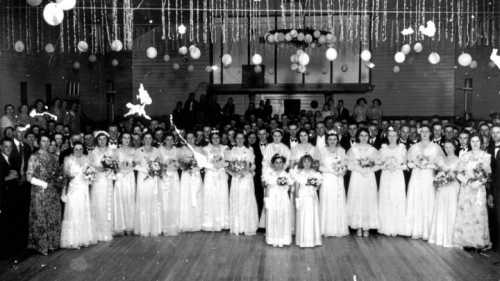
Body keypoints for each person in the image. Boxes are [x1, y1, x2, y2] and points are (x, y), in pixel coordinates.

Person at [453, 134, 492, 250]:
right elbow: (458, 173)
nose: (475, 143)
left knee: (478, 214)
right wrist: (467, 182)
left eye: (477, 141)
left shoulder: (486, 156)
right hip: (466, 188)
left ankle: (479, 242)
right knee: (466, 214)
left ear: (481, 142)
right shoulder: (465, 156)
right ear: (469, 143)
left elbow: (488, 174)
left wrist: (479, 182)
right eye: (473, 141)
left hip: (479, 189)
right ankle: (467, 242)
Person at [26, 134, 63, 255]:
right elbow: (28, 177)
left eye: (48, 141)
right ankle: (42, 246)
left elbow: (58, 174)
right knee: (41, 218)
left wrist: (60, 180)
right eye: (43, 141)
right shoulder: (34, 157)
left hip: (52, 193)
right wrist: (44, 184)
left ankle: (52, 244)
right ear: (38, 142)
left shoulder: (54, 157)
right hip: (40, 192)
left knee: (52, 217)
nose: (46, 143)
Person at [406, 125, 444, 240]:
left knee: (428, 200)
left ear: (430, 133)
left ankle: (427, 231)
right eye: (422, 131)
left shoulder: (436, 147)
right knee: (416, 199)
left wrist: (428, 165)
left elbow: (441, 164)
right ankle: (415, 230)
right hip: (416, 176)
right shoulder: (414, 147)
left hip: (428, 176)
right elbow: (408, 164)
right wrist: (416, 164)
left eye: (427, 131)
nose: (424, 134)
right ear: (419, 133)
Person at [346, 128, 380, 237]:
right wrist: (360, 170)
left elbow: (378, 164)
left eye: (366, 135)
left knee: (368, 199)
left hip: (369, 177)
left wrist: (368, 170)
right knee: (357, 198)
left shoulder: (373, 150)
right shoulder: (353, 149)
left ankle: (367, 226)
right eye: (361, 135)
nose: (364, 137)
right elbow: (349, 164)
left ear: (369, 137)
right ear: (358, 136)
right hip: (357, 176)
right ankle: (358, 226)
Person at [60, 142, 94, 249]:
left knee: (83, 211)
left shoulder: (87, 159)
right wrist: (64, 191)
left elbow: (91, 174)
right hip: (73, 189)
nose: (78, 151)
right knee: (74, 212)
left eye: (80, 149)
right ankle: (72, 240)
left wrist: (90, 178)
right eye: (76, 149)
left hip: (84, 188)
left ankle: (84, 238)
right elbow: (65, 176)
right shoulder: (68, 159)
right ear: (73, 149)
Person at [428, 141, 460, 248]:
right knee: (441, 210)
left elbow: (458, 174)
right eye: (446, 147)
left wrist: (451, 177)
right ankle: (440, 237)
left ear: (454, 147)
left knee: (451, 210)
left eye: (450, 147)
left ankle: (450, 238)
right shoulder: (441, 159)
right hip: (442, 187)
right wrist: (438, 179)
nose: (448, 149)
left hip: (452, 187)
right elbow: (437, 172)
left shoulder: (458, 160)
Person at [227, 132, 259, 235]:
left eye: (242, 138)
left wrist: (245, 171)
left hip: (246, 178)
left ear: (244, 139)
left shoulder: (249, 151)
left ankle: (247, 226)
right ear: (235, 139)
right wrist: (234, 173)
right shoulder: (231, 151)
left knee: (246, 199)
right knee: (236, 199)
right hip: (236, 178)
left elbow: (253, 165)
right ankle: (237, 226)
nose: (240, 140)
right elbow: (227, 166)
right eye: (238, 138)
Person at [378, 128, 408, 237]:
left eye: (394, 135)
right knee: (386, 198)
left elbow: (406, 165)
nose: (392, 138)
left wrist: (396, 166)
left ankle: (397, 227)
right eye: (390, 135)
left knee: (397, 198)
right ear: (387, 136)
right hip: (386, 176)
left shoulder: (402, 148)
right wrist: (386, 166)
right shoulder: (383, 149)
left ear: (398, 136)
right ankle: (385, 226)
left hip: (397, 176)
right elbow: (379, 164)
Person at [318, 131, 349, 237]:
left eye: (334, 139)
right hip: (327, 178)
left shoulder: (342, 150)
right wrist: (331, 171)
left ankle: (338, 228)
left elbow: (345, 165)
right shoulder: (322, 151)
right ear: (327, 140)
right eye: (330, 139)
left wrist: (342, 171)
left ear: (337, 140)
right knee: (327, 200)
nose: (332, 141)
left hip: (338, 179)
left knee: (337, 201)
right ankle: (325, 228)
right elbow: (319, 166)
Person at [88, 132, 116, 242]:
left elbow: (115, 165)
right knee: (98, 203)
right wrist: (98, 169)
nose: (102, 141)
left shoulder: (111, 151)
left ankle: (107, 229)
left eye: (104, 139)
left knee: (107, 203)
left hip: (108, 179)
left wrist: (110, 167)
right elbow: (89, 166)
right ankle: (98, 231)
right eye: (100, 139)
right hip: (98, 181)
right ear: (97, 140)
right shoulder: (93, 152)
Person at [201, 130, 230, 231]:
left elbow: (227, 162)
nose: (216, 140)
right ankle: (209, 222)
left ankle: (223, 222)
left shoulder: (225, 148)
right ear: (210, 139)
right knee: (210, 197)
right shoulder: (205, 149)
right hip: (210, 175)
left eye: (217, 138)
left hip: (221, 174)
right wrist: (213, 165)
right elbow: (203, 163)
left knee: (221, 196)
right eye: (213, 138)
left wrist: (221, 165)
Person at [263, 154, 293, 247]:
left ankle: (283, 239)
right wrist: (266, 200)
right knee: (272, 216)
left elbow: (290, 187)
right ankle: (273, 239)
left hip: (283, 198)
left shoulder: (287, 175)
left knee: (283, 216)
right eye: (276, 162)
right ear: (273, 164)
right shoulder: (269, 174)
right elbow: (267, 188)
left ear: (283, 164)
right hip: (272, 197)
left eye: (280, 162)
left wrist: (286, 186)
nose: (278, 164)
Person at [293, 155, 322, 248]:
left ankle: (313, 240)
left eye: (308, 161)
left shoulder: (315, 173)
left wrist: (315, 185)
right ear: (302, 163)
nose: (307, 164)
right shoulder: (299, 173)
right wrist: (297, 199)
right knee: (303, 217)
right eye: (305, 162)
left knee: (312, 217)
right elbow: (297, 188)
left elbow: (318, 187)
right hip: (303, 197)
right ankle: (303, 240)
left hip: (312, 196)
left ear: (311, 163)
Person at [178, 132, 203, 231]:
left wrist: (196, 167)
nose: (190, 139)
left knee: (197, 196)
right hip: (186, 175)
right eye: (188, 138)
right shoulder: (181, 150)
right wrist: (186, 167)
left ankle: (198, 223)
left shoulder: (199, 149)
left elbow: (203, 162)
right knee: (186, 196)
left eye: (192, 137)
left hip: (196, 174)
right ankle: (186, 223)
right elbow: (179, 163)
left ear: (195, 138)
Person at [113, 133, 136, 235]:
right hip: (120, 176)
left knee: (130, 199)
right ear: (121, 139)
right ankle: (121, 226)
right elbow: (113, 165)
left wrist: (131, 166)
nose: (126, 140)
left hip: (130, 176)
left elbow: (137, 164)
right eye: (124, 137)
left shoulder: (134, 151)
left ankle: (130, 226)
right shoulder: (116, 151)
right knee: (120, 199)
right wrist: (119, 167)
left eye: (128, 138)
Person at [159, 133, 181, 236]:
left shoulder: (177, 150)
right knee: (164, 200)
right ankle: (164, 226)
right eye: (167, 139)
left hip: (174, 177)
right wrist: (165, 166)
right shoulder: (160, 150)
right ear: (164, 140)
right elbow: (157, 164)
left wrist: (176, 164)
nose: (169, 141)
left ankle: (174, 225)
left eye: (171, 139)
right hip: (164, 177)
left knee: (174, 199)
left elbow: (180, 164)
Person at [0, 138, 19, 257]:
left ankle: (8, 250)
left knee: (8, 223)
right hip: (2, 198)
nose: (8, 149)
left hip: (9, 197)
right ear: (1, 147)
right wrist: (8, 178)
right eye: (6, 146)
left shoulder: (9, 159)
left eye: (10, 147)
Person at [489, 125, 500, 249]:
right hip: (493, 187)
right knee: (495, 217)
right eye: (494, 133)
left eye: (498, 132)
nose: (496, 135)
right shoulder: (489, 149)